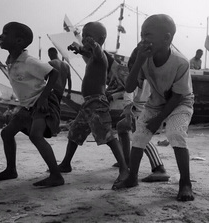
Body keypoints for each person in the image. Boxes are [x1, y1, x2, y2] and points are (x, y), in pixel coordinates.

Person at [113, 14, 195, 202]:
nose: (143, 40)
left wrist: (159, 120)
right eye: (142, 35)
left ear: (166, 38)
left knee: (175, 133)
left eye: (148, 35)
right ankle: (132, 177)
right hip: (156, 102)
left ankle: (185, 183)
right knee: (139, 136)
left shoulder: (180, 62)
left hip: (180, 102)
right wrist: (139, 61)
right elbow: (129, 87)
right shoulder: (145, 58)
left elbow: (178, 95)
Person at [0, 22, 64, 187]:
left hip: (43, 102)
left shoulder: (29, 61)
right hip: (28, 106)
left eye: (6, 33)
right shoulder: (11, 61)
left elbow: (54, 73)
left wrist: (43, 99)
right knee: (7, 133)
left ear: (19, 41)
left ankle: (56, 175)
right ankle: (11, 170)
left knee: (36, 136)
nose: (1, 36)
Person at [59, 21, 129, 188]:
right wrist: (80, 48)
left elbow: (96, 50)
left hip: (97, 102)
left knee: (107, 135)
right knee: (74, 132)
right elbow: (88, 52)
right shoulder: (92, 58)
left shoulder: (101, 56)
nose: (84, 38)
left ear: (100, 39)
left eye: (87, 35)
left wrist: (93, 44)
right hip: (88, 103)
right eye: (83, 35)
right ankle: (66, 163)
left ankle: (125, 169)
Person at [114, 45, 170, 182]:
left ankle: (159, 168)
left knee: (140, 139)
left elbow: (129, 93)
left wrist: (127, 109)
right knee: (122, 128)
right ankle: (126, 159)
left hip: (138, 112)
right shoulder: (152, 76)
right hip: (146, 110)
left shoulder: (137, 76)